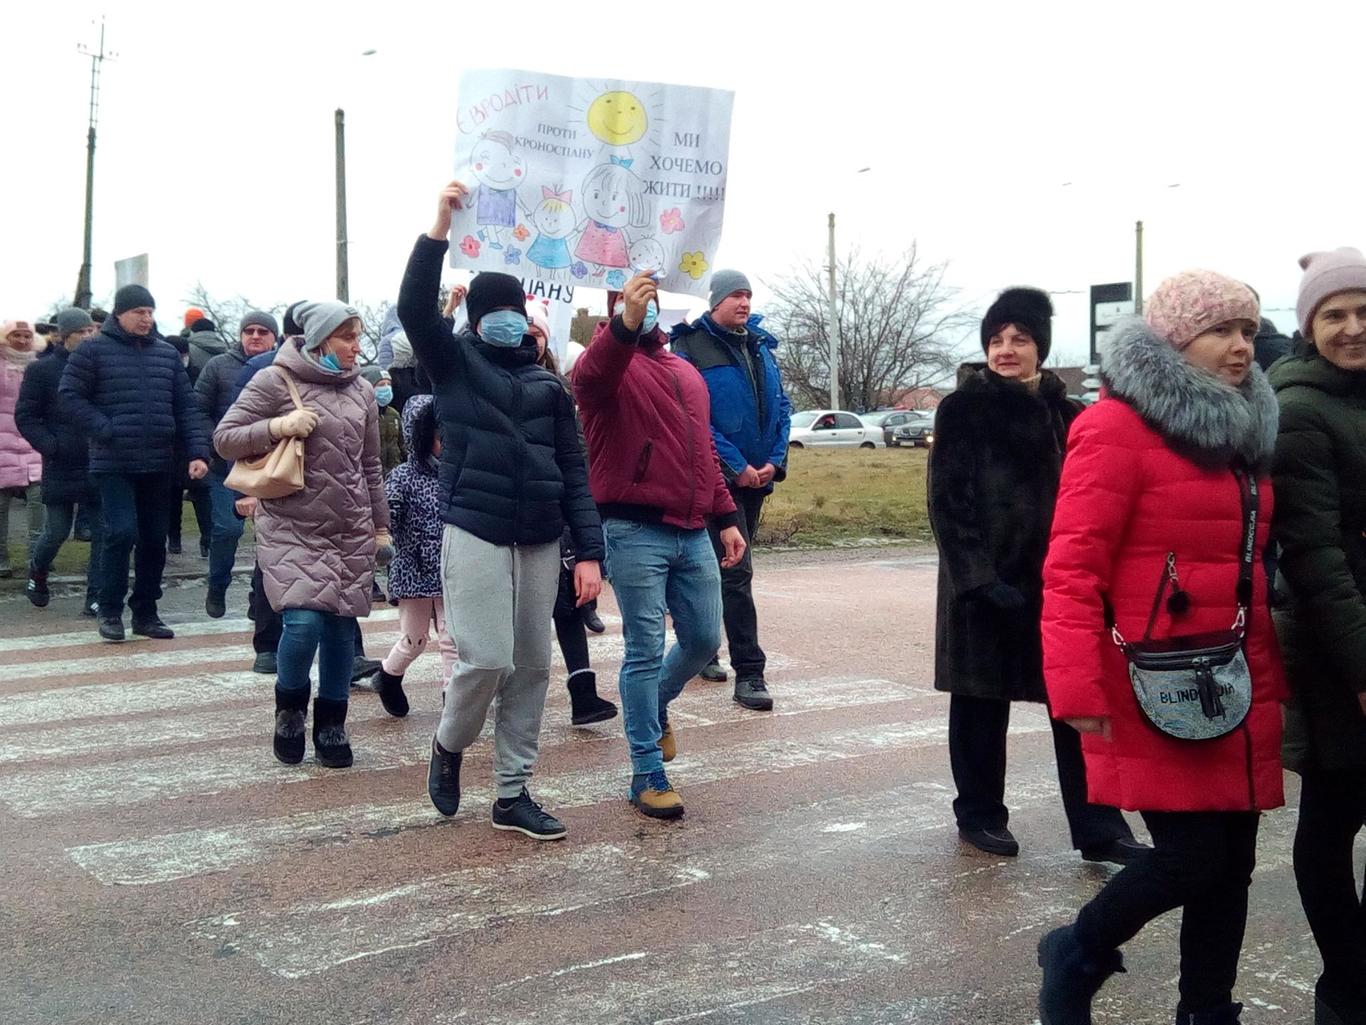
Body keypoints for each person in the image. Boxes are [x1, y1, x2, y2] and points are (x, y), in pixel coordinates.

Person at [1038, 271, 1285, 1025]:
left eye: (1248, 329)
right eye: (1221, 330)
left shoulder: (1245, 431)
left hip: (1234, 678)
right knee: (1191, 857)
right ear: (1176, 341)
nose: (1241, 346)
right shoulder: (1115, 427)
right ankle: (1076, 947)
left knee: (1232, 865)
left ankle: (1206, 1010)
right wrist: (1076, 691)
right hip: (1151, 681)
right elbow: (1072, 566)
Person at [399, 180, 603, 841]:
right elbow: (413, 310)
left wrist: (590, 551)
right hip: (475, 531)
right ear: (477, 317)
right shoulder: (454, 364)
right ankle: (449, 742)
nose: (508, 319)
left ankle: (513, 792)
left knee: (532, 665)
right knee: (485, 657)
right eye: (496, 310)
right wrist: (437, 228)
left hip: (540, 538)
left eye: (516, 309)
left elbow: (575, 471)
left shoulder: (549, 384)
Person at [927, 287, 1143, 865]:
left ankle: (1099, 825)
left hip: (1058, 586)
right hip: (983, 586)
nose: (1006, 349)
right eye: (996, 339)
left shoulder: (1069, 413)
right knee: (979, 704)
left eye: (1019, 339)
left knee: (1074, 704)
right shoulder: (964, 408)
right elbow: (948, 504)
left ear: (1040, 347)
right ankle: (979, 814)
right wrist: (977, 580)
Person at [575, 270, 746, 818]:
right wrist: (624, 322)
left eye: (648, 302)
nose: (646, 309)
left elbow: (702, 455)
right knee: (644, 650)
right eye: (633, 303)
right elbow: (597, 372)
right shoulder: (601, 367)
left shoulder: (683, 370)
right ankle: (646, 771)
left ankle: (655, 708)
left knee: (700, 640)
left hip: (693, 529)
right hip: (632, 531)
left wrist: (725, 516)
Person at [214, 301, 390, 768]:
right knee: (303, 622)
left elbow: (371, 466)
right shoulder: (276, 379)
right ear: (320, 340)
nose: (356, 347)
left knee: (339, 628)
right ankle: (289, 710)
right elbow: (225, 437)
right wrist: (277, 426)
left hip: (348, 525)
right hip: (291, 522)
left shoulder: (363, 392)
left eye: (358, 337)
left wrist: (380, 527)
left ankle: (331, 723)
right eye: (347, 337)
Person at [1269, 247, 1366, 1025]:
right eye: (1334, 314)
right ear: (1308, 326)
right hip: (1342, 649)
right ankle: (1345, 981)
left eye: (1365, 311)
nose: (1353, 327)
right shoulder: (1299, 406)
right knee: (1332, 820)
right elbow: (1316, 553)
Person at [59, 285, 212, 641]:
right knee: (120, 531)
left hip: (159, 462)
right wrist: (103, 427)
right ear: (119, 314)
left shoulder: (166, 354)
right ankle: (109, 609)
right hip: (112, 462)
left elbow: (186, 407)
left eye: (150, 311)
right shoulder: (92, 350)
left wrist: (198, 452)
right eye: (139, 312)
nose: (146, 318)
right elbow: (69, 398)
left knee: (153, 539)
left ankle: (146, 612)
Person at [671, 271, 791, 710]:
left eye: (748, 295)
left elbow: (781, 406)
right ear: (716, 300)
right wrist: (734, 466)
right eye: (736, 295)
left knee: (726, 572)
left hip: (758, 477)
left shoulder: (761, 344)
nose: (744, 302)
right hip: (715, 479)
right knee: (735, 574)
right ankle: (750, 674)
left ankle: (702, 646)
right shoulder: (689, 347)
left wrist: (774, 462)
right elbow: (693, 417)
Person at [526, 301, 617, 726]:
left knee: (566, 606)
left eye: (537, 330)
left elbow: (574, 457)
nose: (530, 336)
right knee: (520, 617)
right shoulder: (486, 381)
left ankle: (583, 695)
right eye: (523, 328)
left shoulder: (560, 388)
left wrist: (585, 538)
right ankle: (508, 697)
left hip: (557, 507)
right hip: (509, 515)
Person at [15, 308, 102, 613]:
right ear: (65, 337)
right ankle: (38, 572)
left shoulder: (101, 367)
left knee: (103, 532)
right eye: (82, 332)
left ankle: (96, 595)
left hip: (98, 459)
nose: (89, 336)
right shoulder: (43, 370)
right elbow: (26, 416)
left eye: (92, 331)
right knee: (57, 530)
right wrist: (49, 445)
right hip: (60, 461)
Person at [196, 311, 280, 618]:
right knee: (228, 529)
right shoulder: (217, 366)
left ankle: (259, 598)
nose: (255, 336)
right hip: (225, 467)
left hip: (270, 467)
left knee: (271, 536)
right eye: (249, 331)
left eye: (262, 331)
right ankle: (217, 585)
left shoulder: (281, 367)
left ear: (274, 336)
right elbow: (199, 409)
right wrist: (217, 441)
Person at [371, 394, 447, 717]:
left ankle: (453, 700)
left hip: (449, 569)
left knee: (452, 638)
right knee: (414, 639)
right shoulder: (403, 476)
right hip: (412, 569)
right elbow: (387, 513)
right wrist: (383, 534)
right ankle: (388, 677)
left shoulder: (455, 474)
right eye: (440, 436)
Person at [0, 319, 44, 580]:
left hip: (32, 441)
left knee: (39, 503)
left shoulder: (38, 367)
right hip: (2, 445)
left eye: (26, 335)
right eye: (16, 335)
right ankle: (1, 560)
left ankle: (36, 559)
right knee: (0, 506)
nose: (22, 340)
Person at [361, 366, 405, 473]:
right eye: (381, 385)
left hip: (394, 472)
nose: (386, 388)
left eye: (388, 384)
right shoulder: (362, 414)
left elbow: (402, 444)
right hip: (372, 474)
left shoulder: (393, 414)